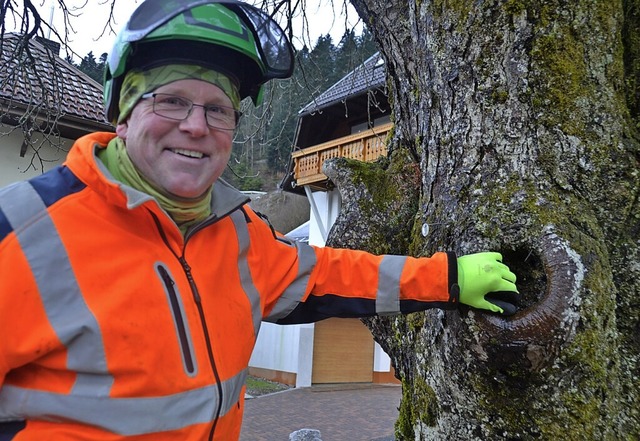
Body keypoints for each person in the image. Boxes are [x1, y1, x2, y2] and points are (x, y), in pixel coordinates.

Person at [0, 0, 519, 439]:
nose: (197, 126)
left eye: (217, 109)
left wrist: (449, 277)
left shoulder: (239, 233)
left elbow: (335, 274)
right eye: (172, 101)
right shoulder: (21, 232)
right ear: (124, 112)